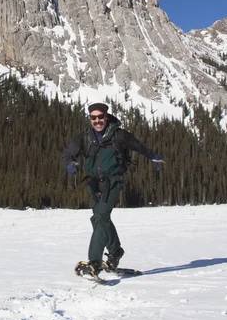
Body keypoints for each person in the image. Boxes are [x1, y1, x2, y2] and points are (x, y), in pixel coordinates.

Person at [62, 102, 165, 279]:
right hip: (94, 183)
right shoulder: (85, 137)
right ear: (90, 119)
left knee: (101, 216)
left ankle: (94, 263)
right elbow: (67, 154)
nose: (97, 120)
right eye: (93, 118)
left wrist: (153, 157)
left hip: (113, 181)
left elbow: (138, 145)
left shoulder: (118, 135)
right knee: (98, 218)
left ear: (106, 117)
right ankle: (115, 251)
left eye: (100, 117)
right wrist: (70, 164)